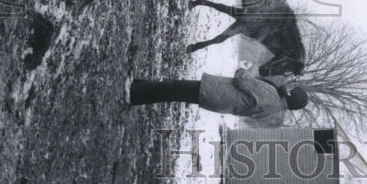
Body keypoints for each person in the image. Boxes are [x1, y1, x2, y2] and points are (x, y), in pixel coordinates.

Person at [125, 68, 308, 122]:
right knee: (174, 91)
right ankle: (137, 88)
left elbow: (242, 80)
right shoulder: (274, 108)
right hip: (219, 99)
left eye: (291, 88)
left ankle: (133, 94)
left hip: (217, 92)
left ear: (290, 95)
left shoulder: (272, 96)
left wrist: (245, 71)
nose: (288, 85)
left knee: (173, 88)